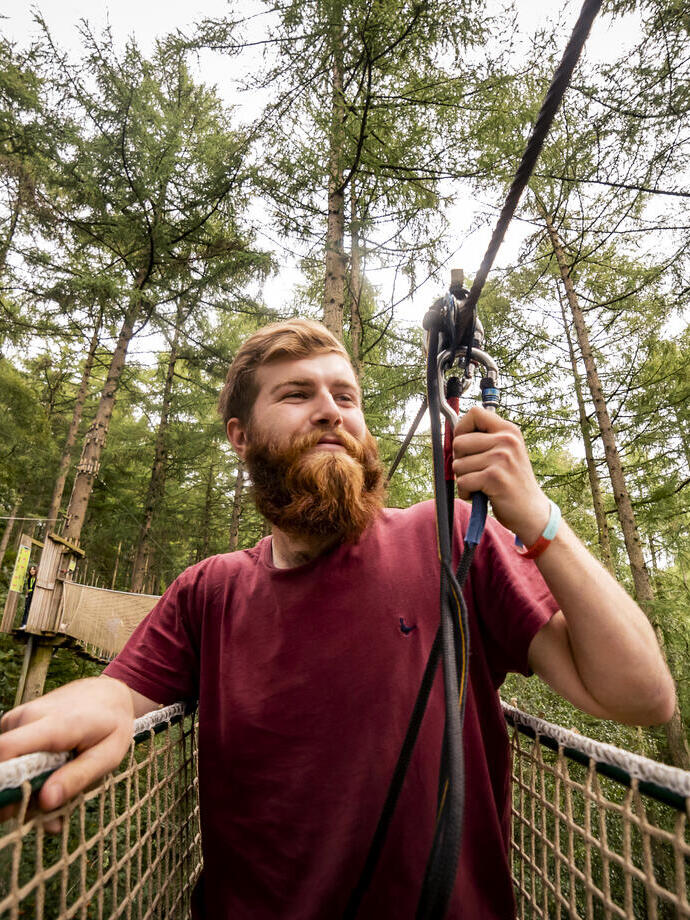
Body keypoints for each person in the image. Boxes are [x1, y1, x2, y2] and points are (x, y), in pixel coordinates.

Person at [0, 319, 675, 919]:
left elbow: (643, 696)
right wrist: (89, 709)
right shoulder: (210, 590)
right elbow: (120, 691)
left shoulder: (446, 543)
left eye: (345, 397)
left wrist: (536, 515)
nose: (330, 411)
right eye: (297, 395)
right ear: (240, 437)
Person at [19, 564, 37, 629]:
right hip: (29, 594)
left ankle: (28, 624)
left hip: (34, 594)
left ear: (36, 571)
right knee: (26, 609)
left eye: (33, 569)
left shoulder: (37, 578)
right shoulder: (29, 578)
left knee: (31, 609)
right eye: (31, 569)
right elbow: (29, 587)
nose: (32, 571)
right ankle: (24, 624)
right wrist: (27, 594)